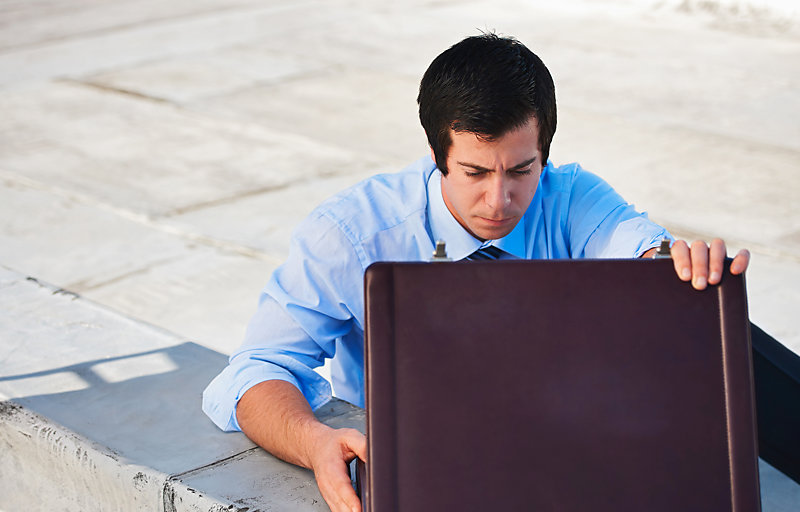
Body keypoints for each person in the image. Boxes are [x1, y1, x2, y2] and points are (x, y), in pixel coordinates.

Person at [202, 33, 750, 512]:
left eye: (521, 170)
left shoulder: (573, 196)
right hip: (422, 471)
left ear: (545, 154)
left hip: (566, 453)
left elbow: (640, 248)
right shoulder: (351, 233)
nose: (499, 199)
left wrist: (674, 266)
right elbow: (257, 371)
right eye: (474, 172)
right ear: (439, 154)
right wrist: (315, 441)